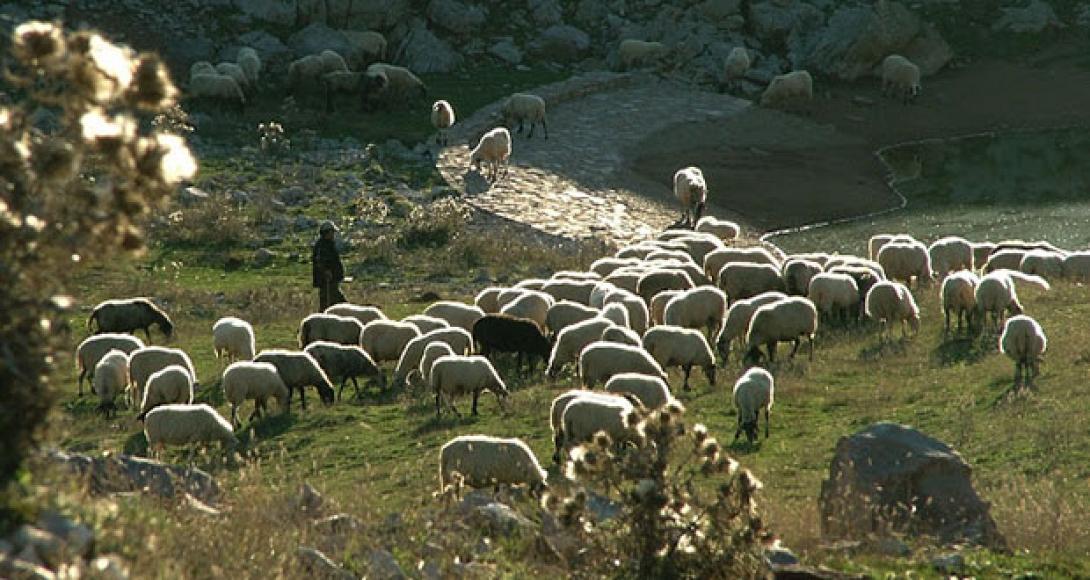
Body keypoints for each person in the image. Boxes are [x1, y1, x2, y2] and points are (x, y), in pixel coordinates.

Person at [312, 220, 346, 311]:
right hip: (327, 282)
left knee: (332, 304)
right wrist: (326, 271)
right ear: (327, 232)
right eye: (332, 232)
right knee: (335, 304)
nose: (333, 235)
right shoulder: (322, 246)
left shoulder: (328, 244)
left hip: (332, 281)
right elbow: (320, 261)